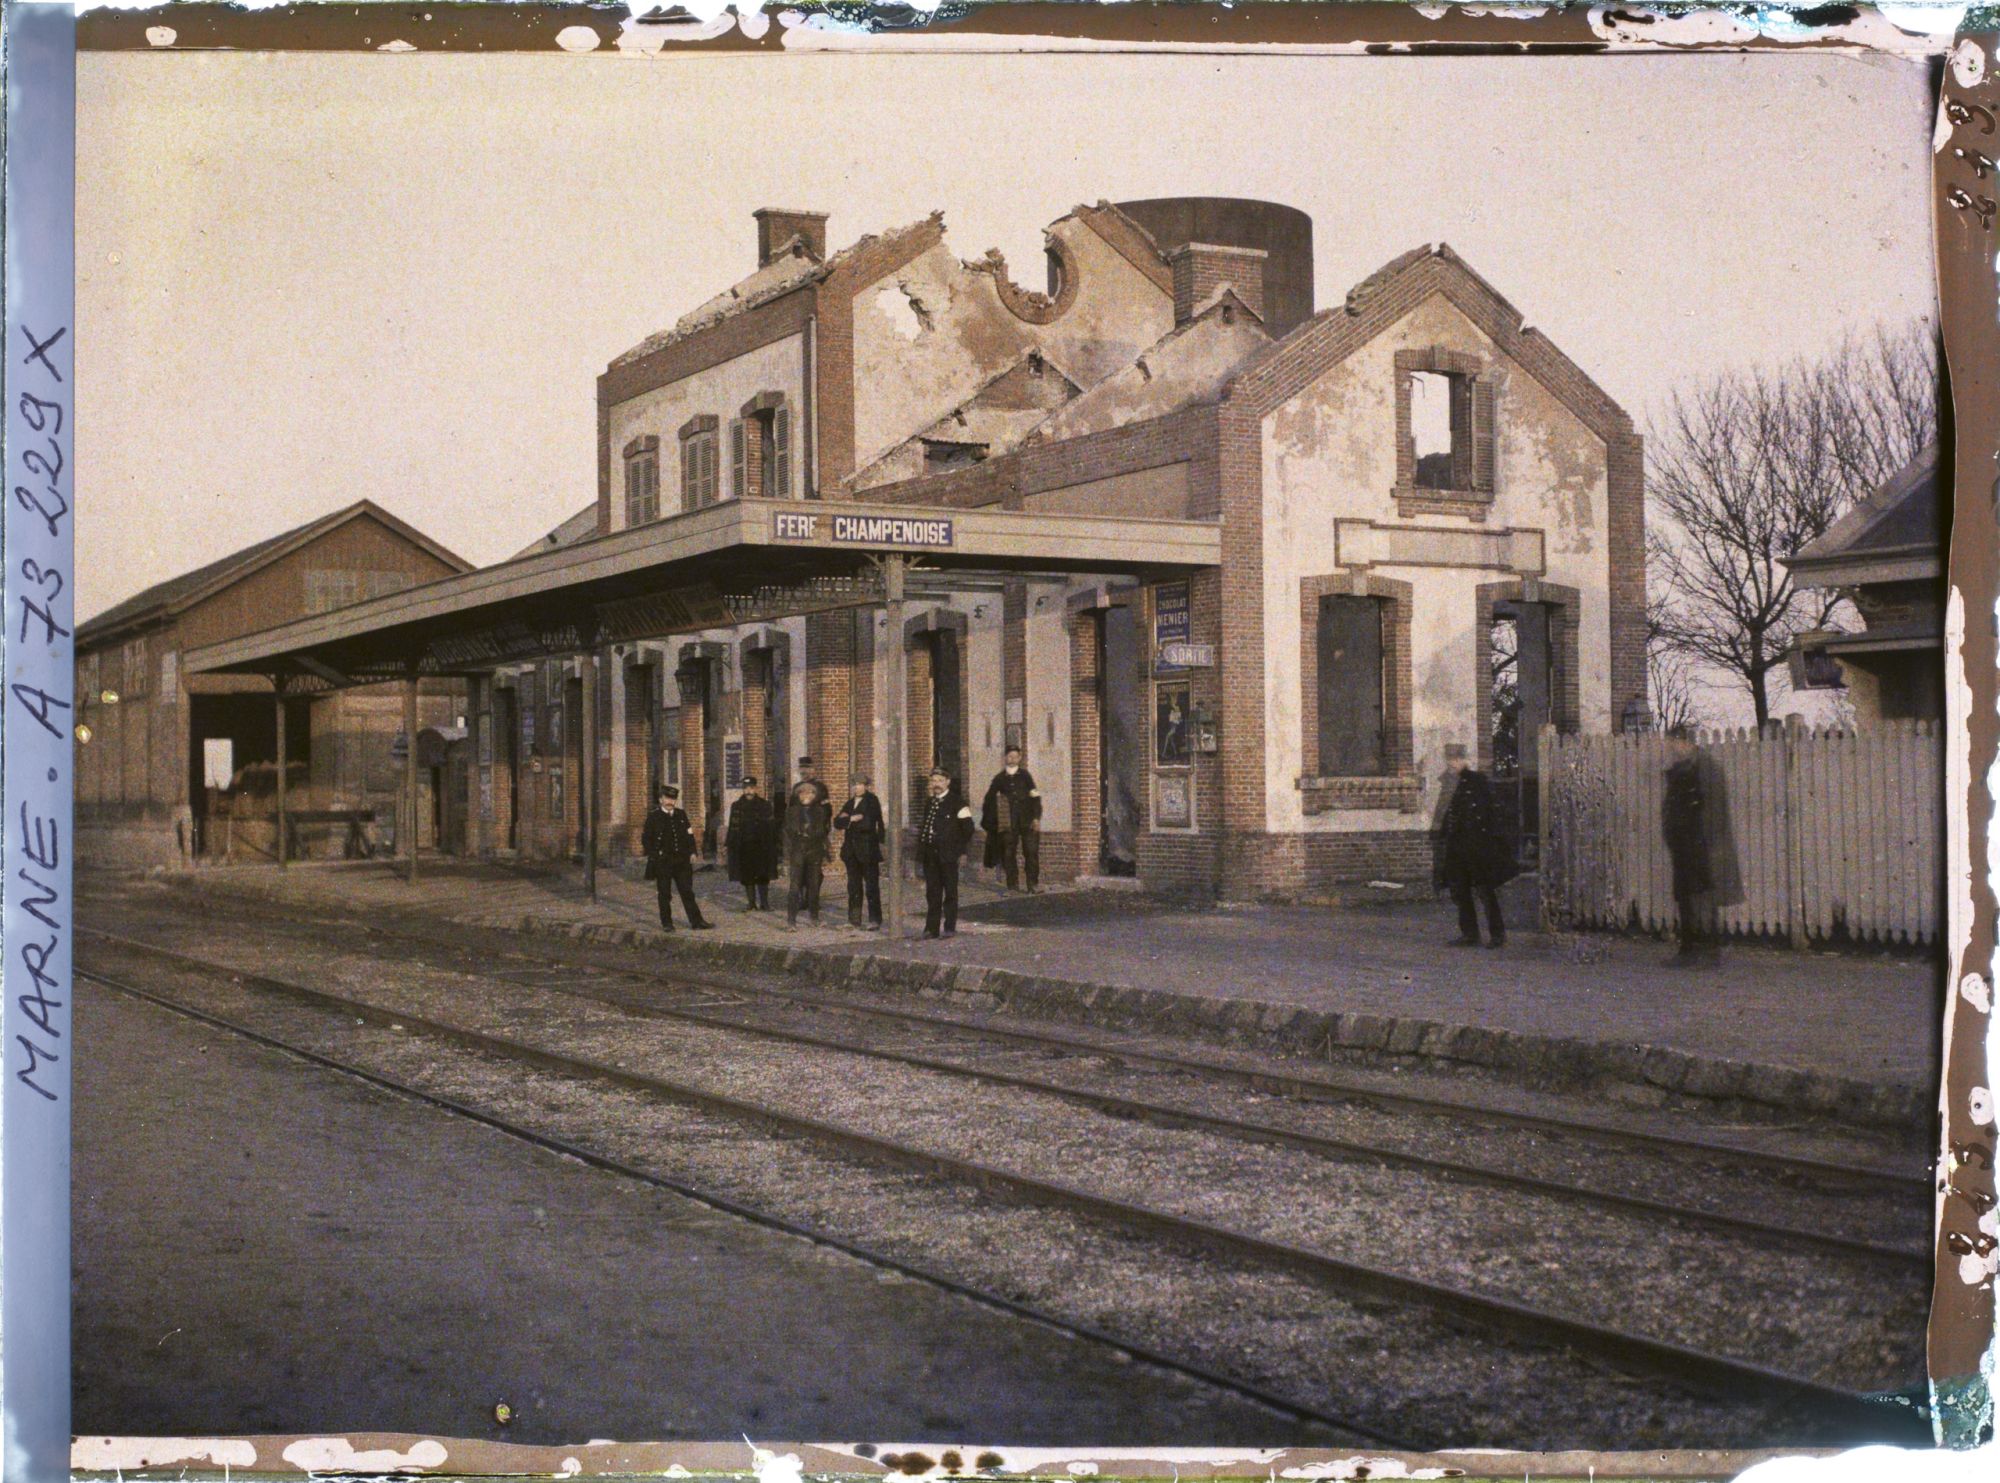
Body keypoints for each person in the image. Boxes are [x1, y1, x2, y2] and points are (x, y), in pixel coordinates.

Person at [1433, 743, 1512, 949]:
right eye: (1449, 759)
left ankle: (1497, 934)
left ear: (1462, 760)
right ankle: (1470, 934)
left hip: (1478, 846)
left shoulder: (1477, 782)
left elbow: (1492, 813)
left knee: (1485, 891)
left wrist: (1490, 843)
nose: (1451, 763)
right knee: (1460, 891)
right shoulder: (1448, 782)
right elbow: (1446, 812)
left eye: (1454, 759)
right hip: (1457, 846)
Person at [1662, 726, 1718, 966]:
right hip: (1683, 842)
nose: (1672, 748)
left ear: (1683, 743)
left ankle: (1696, 948)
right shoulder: (1681, 769)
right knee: (1686, 893)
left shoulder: (1694, 770)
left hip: (1692, 842)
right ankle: (1692, 946)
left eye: (1674, 743)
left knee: (1693, 892)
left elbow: (1699, 807)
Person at [641, 784, 712, 931]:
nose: (670, 802)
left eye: (673, 799)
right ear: (660, 799)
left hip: (681, 861)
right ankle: (667, 923)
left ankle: (697, 922)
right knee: (664, 893)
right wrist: (655, 854)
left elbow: (689, 835)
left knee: (687, 891)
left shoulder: (681, 814)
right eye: (667, 798)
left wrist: (692, 852)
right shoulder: (653, 817)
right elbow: (646, 839)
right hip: (664, 862)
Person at [917, 767, 974, 939]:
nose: (937, 784)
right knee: (932, 893)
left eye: (940, 781)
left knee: (950, 892)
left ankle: (949, 927)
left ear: (948, 782)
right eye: (934, 781)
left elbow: (968, 830)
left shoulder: (958, 803)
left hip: (949, 855)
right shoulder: (930, 803)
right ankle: (931, 929)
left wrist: (961, 852)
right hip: (931, 855)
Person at [980, 745, 1043, 893]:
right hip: (1008, 823)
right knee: (1008, 854)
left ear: (1020, 758)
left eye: (1016, 756)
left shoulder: (1026, 776)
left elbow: (1035, 797)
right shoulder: (999, 779)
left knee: (1031, 852)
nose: (1012, 759)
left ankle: (1033, 884)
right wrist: (995, 818)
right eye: (1009, 756)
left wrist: (1036, 818)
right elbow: (989, 800)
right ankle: (1012, 886)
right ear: (1005, 758)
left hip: (1027, 821)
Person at [834, 777, 885, 930]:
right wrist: (852, 818)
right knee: (853, 886)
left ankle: (875, 920)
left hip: (867, 850)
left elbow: (867, 823)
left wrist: (848, 820)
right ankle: (854, 919)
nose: (856, 788)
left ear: (866, 786)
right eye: (854, 785)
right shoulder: (850, 803)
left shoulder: (871, 801)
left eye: (859, 785)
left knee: (871, 886)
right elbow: (837, 822)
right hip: (851, 851)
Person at [782, 778, 832, 929]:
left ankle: (814, 917)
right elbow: (786, 834)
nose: (806, 796)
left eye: (810, 793)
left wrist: (825, 851)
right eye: (803, 793)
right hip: (798, 850)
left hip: (814, 850)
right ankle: (791, 921)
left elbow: (824, 831)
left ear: (815, 796)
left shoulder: (820, 812)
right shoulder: (791, 812)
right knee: (795, 886)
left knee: (814, 884)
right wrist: (787, 854)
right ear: (798, 795)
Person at [724, 776, 777, 911]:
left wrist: (773, 844)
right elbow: (733, 826)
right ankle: (751, 903)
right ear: (743, 789)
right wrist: (729, 844)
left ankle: (764, 903)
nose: (748, 791)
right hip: (744, 846)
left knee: (763, 874)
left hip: (761, 846)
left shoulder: (764, 805)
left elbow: (771, 827)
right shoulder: (736, 806)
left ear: (755, 789)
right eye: (746, 788)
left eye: (751, 788)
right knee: (747, 875)